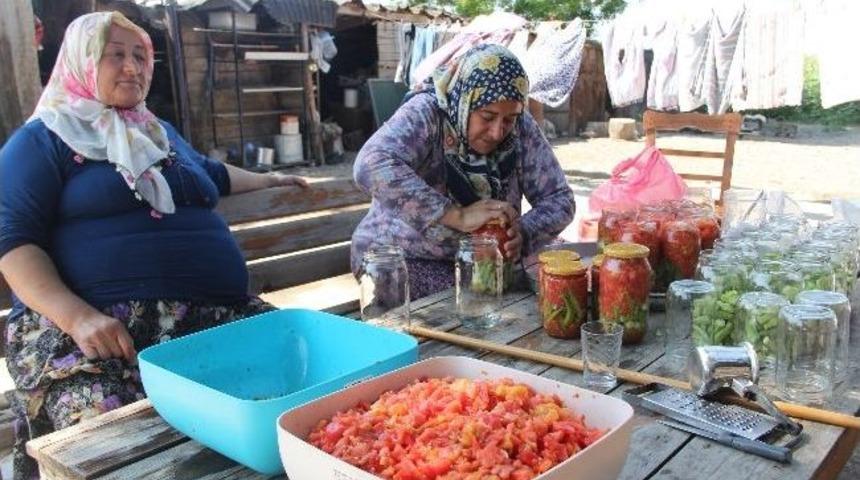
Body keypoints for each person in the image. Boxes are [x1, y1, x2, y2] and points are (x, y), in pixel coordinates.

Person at [0, 12, 307, 479]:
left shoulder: (155, 132)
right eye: (116, 55)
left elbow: (212, 173)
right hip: (99, 333)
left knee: (304, 378)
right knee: (111, 437)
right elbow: (11, 239)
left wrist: (272, 177)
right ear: (82, 61)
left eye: (141, 56)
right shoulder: (44, 138)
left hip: (209, 318)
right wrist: (78, 317)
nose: (133, 67)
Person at [351, 44, 575, 299]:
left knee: (556, 280)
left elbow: (560, 200)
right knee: (479, 301)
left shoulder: (520, 125)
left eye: (508, 120)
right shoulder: (428, 113)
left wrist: (522, 233)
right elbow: (370, 164)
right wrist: (455, 215)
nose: (498, 132)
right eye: (487, 116)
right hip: (399, 258)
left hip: (483, 262)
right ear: (465, 101)